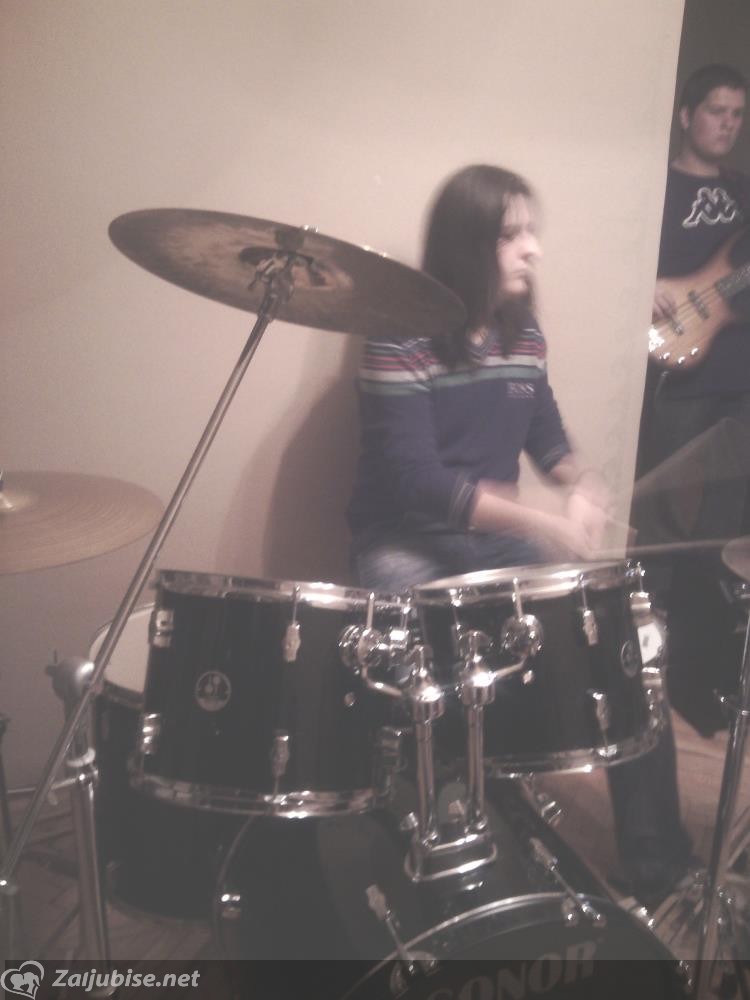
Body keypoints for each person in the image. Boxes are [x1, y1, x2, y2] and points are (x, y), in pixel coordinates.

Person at [348, 163, 693, 909]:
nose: (533, 249)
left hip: (495, 542)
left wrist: (585, 482)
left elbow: (547, 438)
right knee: (433, 677)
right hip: (405, 541)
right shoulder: (398, 336)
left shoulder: (523, 333)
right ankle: (461, 855)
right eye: (513, 235)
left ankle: (660, 867)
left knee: (623, 647)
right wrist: (543, 523)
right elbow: (419, 484)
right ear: (466, 245)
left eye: (532, 232)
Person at [634, 64, 750, 735]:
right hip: (681, 369)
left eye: (737, 114)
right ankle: (649, 652)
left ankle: (702, 666)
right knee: (664, 509)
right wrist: (643, 280)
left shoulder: (743, 190)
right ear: (686, 116)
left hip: (739, 371)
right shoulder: (658, 184)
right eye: (716, 111)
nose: (727, 124)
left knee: (727, 522)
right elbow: (623, 254)